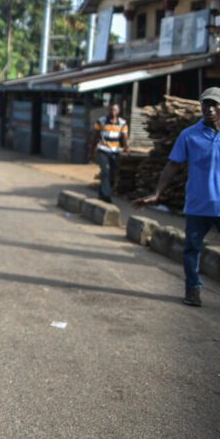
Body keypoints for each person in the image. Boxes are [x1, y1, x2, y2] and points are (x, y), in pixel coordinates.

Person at [134, 87, 220, 307]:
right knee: (192, 249)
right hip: (197, 205)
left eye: (215, 104)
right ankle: (193, 290)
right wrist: (157, 193)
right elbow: (173, 165)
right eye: (206, 104)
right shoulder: (189, 135)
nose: (210, 109)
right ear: (200, 106)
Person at [89, 103, 130, 203]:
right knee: (106, 171)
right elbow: (95, 136)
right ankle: (106, 195)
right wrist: (92, 151)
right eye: (111, 110)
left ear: (118, 111)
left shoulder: (122, 123)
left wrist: (126, 147)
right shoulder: (101, 121)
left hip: (114, 152)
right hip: (103, 150)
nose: (113, 112)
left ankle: (102, 194)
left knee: (112, 174)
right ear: (109, 110)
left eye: (115, 110)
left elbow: (125, 137)